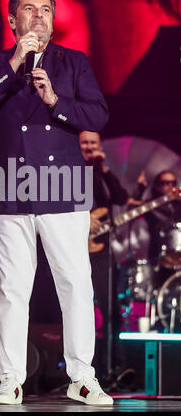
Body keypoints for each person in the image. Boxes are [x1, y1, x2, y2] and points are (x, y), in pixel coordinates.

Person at [0, 0, 113, 405]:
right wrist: (13, 63)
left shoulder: (73, 63)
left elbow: (98, 114)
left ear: (53, 18)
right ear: (13, 20)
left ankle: (82, 377)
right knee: (11, 287)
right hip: (10, 184)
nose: (39, 16)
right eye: (29, 9)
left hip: (63, 185)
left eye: (45, 9)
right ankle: (10, 378)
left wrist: (55, 100)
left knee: (75, 284)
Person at [79, 130, 130, 384]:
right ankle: (82, 366)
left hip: (102, 249)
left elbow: (121, 198)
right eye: (85, 142)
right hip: (76, 246)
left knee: (110, 307)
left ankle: (112, 365)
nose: (89, 147)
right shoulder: (71, 170)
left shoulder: (102, 172)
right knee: (82, 305)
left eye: (93, 143)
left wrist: (106, 169)